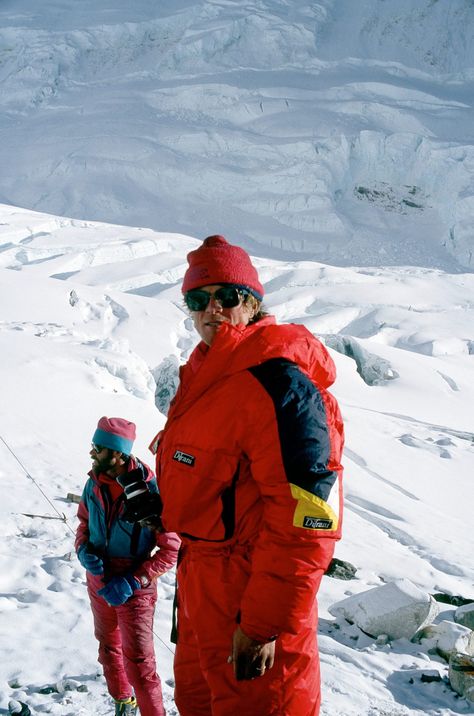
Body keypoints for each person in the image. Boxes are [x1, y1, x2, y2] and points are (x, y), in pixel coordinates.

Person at [150, 235, 345, 716]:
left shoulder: (278, 382)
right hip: (201, 591)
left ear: (252, 301)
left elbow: (309, 519)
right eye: (197, 299)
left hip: (250, 598)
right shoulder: (204, 373)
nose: (210, 309)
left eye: (226, 296)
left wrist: (262, 625)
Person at [76, 416, 180, 716]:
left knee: (140, 664)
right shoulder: (93, 482)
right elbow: (84, 520)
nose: (92, 453)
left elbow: (171, 549)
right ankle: (123, 701)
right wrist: (82, 549)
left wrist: (134, 581)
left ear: (118, 454)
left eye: (98, 448)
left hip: (134, 585)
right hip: (97, 576)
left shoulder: (149, 491)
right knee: (108, 647)